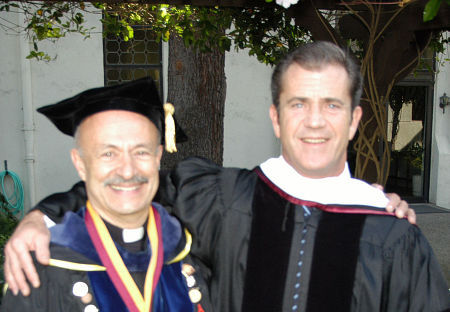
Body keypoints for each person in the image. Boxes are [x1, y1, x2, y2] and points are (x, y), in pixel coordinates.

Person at [4, 42, 441, 311]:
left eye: (331, 105)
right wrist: (39, 219)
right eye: (297, 104)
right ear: (275, 117)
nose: (314, 122)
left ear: (353, 120)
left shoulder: (393, 237)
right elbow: (123, 187)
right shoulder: (220, 197)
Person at [1, 77, 193, 311]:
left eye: (141, 152)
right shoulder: (42, 270)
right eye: (108, 154)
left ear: (158, 157)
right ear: (80, 163)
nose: (127, 170)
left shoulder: (188, 252)